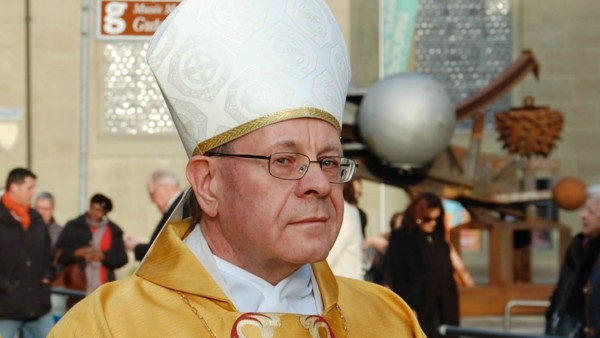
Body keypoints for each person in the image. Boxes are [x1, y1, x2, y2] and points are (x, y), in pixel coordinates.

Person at [49, 0, 425, 336]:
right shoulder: (110, 326)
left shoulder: (387, 320)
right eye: (284, 161)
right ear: (208, 183)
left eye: (328, 162)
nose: (318, 184)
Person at [385, 192, 459, 338]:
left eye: (436, 219)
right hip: (419, 307)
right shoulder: (403, 238)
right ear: (418, 216)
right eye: (428, 219)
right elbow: (398, 275)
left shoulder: (438, 240)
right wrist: (409, 307)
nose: (433, 223)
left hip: (443, 309)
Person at [0, 168, 55, 338]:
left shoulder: (36, 219)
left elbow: (48, 254)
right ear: (14, 186)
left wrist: (47, 275)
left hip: (38, 306)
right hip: (5, 308)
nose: (33, 193)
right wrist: (5, 286)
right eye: (29, 188)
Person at [53, 193, 128, 304]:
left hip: (104, 286)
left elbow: (122, 258)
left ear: (104, 213)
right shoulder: (74, 226)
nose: (94, 213)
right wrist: (77, 253)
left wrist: (103, 256)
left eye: (99, 210)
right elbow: (58, 254)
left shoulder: (113, 230)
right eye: (92, 208)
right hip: (77, 286)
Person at [546, 184, 600, 337]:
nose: (582, 215)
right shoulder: (578, 244)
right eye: (584, 209)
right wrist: (551, 317)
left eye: (590, 211)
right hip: (563, 324)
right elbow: (562, 287)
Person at [125, 169, 186, 261]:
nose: (152, 201)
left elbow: (165, 250)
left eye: (152, 194)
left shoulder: (180, 209)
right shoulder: (178, 206)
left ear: (166, 188)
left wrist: (136, 247)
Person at [326, 177, 365, 280]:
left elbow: (330, 254)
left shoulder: (346, 213)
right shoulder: (350, 211)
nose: (357, 197)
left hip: (342, 285)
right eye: (356, 193)